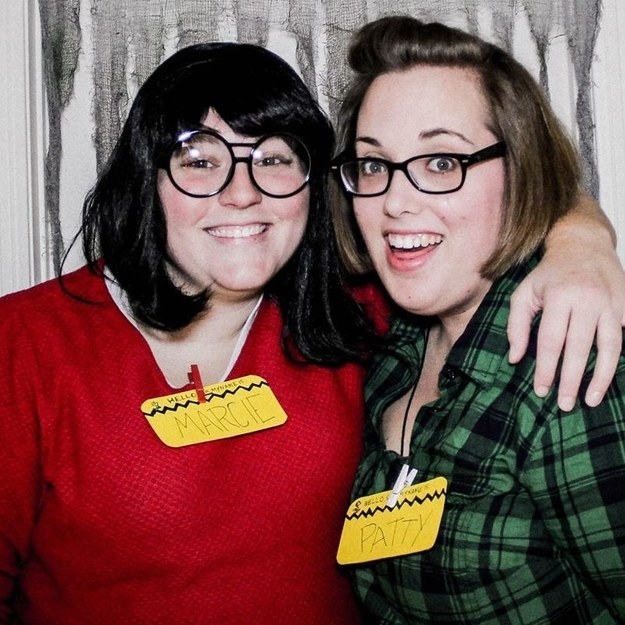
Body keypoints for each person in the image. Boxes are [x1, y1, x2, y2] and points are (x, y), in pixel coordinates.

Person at [0, 39, 621, 625]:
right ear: (146, 179)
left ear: (314, 186)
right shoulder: (24, 344)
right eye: (200, 160)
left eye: (272, 159)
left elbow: (493, 195)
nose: (241, 193)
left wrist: (580, 241)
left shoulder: (356, 315)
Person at [331, 16, 625, 624]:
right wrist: (583, 232)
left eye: (441, 162)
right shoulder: (394, 342)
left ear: (520, 172)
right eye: (372, 164)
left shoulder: (567, 373)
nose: (394, 201)